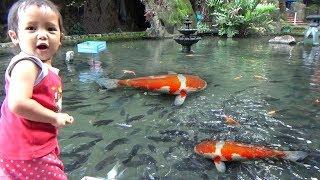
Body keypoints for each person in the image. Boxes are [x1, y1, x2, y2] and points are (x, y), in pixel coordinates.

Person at [0, 0, 74, 179]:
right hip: (27, 152)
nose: (42, 35)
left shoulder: (41, 67)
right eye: (31, 28)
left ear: (61, 39)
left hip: (31, 145)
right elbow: (18, 103)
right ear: (14, 36)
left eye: (50, 29)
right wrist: (55, 117)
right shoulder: (27, 65)